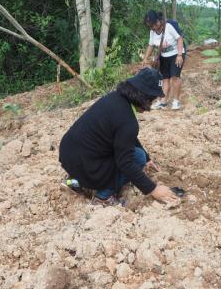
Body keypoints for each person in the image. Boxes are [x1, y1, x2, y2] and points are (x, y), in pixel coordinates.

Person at [59, 68, 179, 206]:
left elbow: (124, 135)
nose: (151, 105)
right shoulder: (127, 121)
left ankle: (74, 182)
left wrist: (148, 157)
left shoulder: (115, 99)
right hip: (86, 162)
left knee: (140, 156)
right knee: (137, 158)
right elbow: (126, 163)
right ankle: (103, 197)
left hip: (69, 155)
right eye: (152, 99)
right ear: (144, 97)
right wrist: (153, 189)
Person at [142, 10, 185, 110]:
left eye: (152, 25)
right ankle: (163, 101)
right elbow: (151, 45)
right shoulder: (152, 32)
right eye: (149, 26)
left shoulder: (169, 27)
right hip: (164, 56)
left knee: (175, 77)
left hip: (176, 53)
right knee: (165, 78)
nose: (151, 28)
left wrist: (179, 55)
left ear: (157, 21)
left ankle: (176, 102)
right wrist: (145, 58)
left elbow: (179, 39)